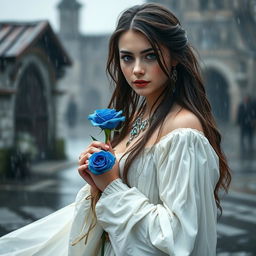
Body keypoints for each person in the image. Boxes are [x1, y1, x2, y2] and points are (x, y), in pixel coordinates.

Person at [0, 3, 231, 256]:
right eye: (127, 58)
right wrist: (96, 182)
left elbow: (178, 240)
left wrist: (111, 186)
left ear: (174, 57)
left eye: (150, 55)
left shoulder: (183, 128)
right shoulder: (135, 118)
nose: (137, 69)